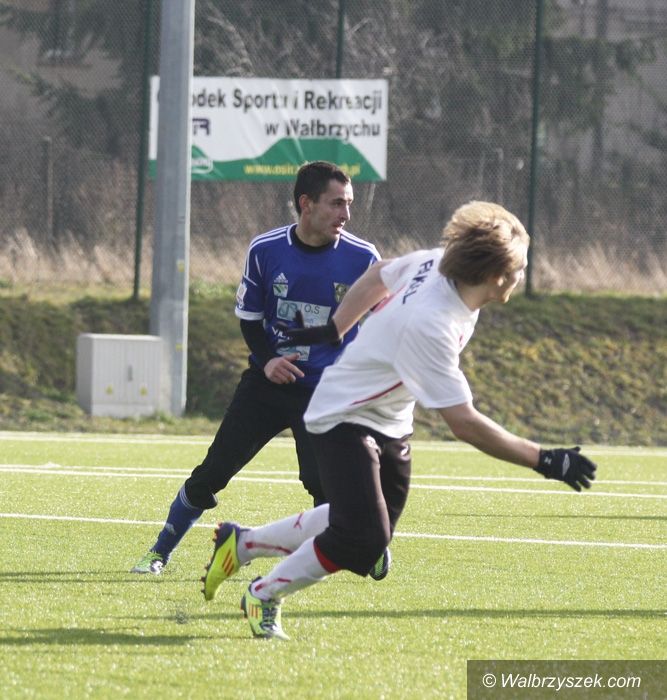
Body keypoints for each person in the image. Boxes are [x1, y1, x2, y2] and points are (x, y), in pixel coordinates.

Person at [199, 200, 598, 640]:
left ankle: (241, 544)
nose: (522, 275)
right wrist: (544, 459)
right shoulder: (433, 323)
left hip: (388, 420)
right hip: (343, 414)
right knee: (363, 539)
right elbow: (463, 423)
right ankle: (263, 594)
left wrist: (336, 327)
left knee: (364, 525)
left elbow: (379, 273)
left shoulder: (436, 262)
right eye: (519, 267)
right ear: (495, 275)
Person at [131, 161, 385, 578]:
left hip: (324, 392)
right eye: (337, 203)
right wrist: (268, 361)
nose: (346, 214)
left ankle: (365, 544)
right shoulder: (266, 249)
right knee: (213, 472)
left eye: (349, 203)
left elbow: (384, 323)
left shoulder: (363, 258)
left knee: (323, 484)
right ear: (306, 203)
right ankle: (158, 552)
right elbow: (250, 318)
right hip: (267, 386)